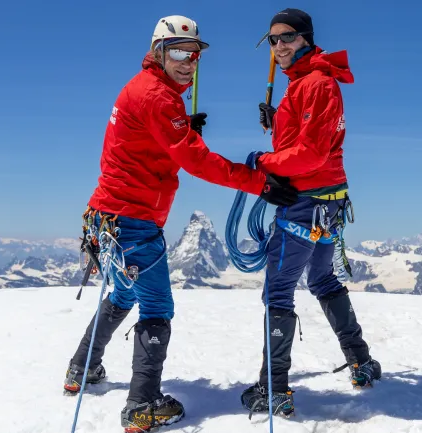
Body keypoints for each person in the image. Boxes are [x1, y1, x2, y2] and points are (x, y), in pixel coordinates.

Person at [63, 15, 298, 433]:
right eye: (178, 52)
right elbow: (196, 161)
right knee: (156, 307)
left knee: (123, 293)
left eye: (194, 54)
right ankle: (142, 404)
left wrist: (182, 128)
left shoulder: (144, 88)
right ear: (158, 52)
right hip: (133, 220)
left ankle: (82, 368)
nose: (188, 61)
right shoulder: (158, 96)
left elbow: (149, 141)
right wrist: (258, 182)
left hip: (109, 216)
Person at [240, 8, 382, 417]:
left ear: (306, 38)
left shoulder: (316, 83)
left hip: (305, 201)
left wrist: (264, 162)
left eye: (287, 37)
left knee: (279, 289)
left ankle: (273, 388)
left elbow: (311, 153)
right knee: (321, 278)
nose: (279, 45)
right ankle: (360, 361)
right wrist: (279, 121)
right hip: (329, 199)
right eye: (273, 40)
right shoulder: (304, 82)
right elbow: (306, 140)